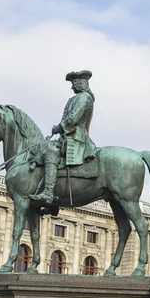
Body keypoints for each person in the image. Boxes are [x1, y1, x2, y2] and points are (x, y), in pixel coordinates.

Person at [30, 70, 97, 204]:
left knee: (51, 152)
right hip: (68, 137)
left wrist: (59, 127)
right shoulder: (77, 98)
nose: (72, 87)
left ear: (80, 83)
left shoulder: (84, 97)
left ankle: (48, 192)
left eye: (74, 84)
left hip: (76, 138)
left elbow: (73, 119)